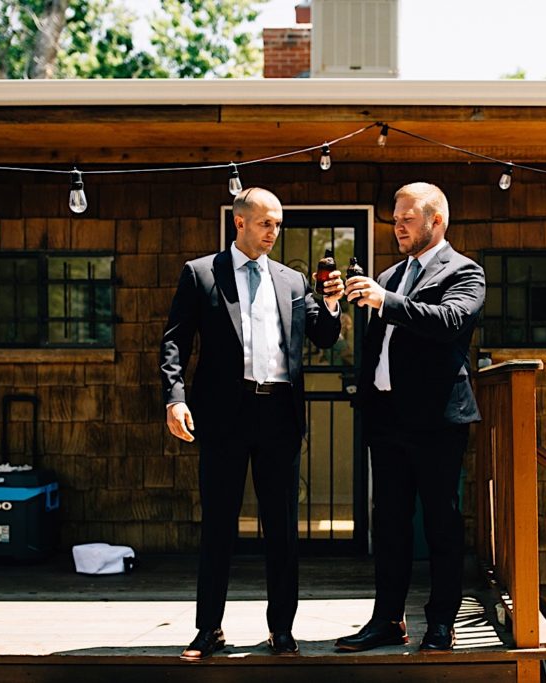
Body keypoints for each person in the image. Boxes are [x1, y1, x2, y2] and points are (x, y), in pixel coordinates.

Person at [159, 187, 343, 661]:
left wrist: (333, 302)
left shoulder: (293, 279)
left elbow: (323, 336)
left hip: (279, 414)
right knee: (218, 525)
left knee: (281, 529)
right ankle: (208, 630)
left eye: (278, 224)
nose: (273, 232)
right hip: (224, 414)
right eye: (266, 223)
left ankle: (281, 630)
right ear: (239, 223)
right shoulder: (202, 274)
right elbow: (175, 342)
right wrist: (175, 399)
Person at [336, 182, 486, 652]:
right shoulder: (391, 274)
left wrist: (385, 301)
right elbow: (379, 346)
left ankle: (442, 622)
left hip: (438, 420)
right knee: (390, 524)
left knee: (441, 523)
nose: (397, 227)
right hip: (387, 417)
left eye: (406, 219)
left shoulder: (466, 271)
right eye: (395, 220)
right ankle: (387, 619)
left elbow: (449, 323)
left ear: (435, 221)